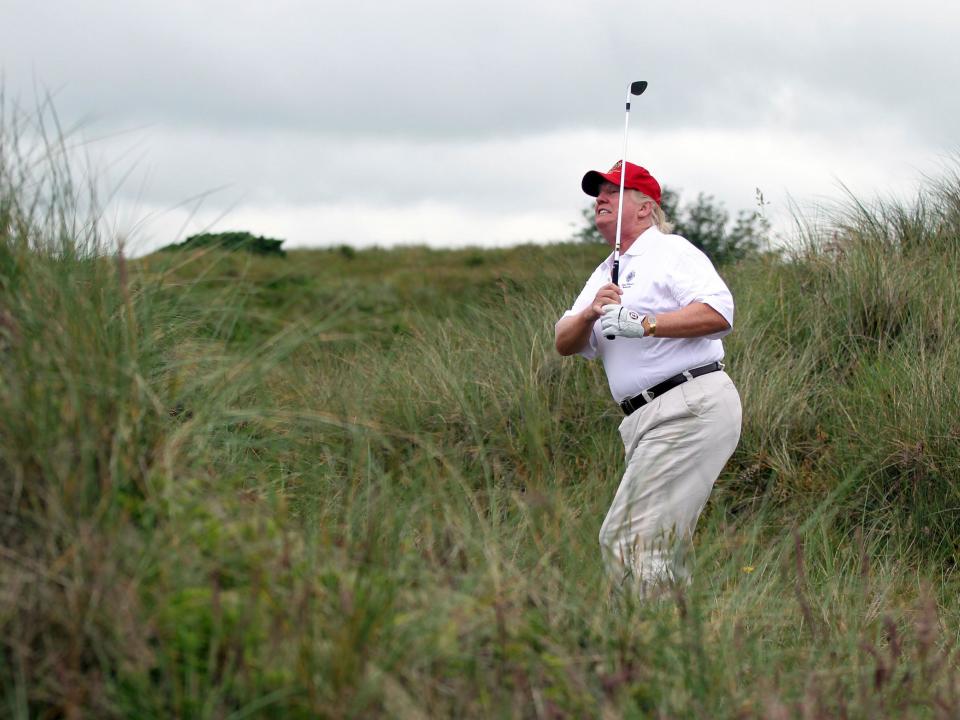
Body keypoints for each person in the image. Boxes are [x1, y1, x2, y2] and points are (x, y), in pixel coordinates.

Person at [555, 160, 742, 594]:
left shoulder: (670, 251)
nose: (599, 199)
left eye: (613, 192)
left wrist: (646, 323)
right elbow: (564, 340)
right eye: (597, 193)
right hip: (646, 419)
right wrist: (588, 313)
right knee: (651, 544)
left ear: (645, 207)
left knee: (631, 542)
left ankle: (645, 651)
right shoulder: (605, 272)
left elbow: (718, 314)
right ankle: (676, 644)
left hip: (688, 404)